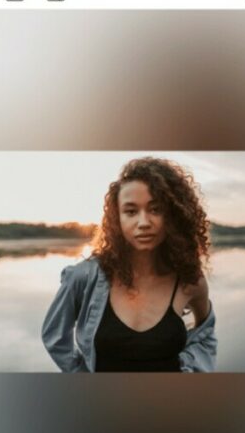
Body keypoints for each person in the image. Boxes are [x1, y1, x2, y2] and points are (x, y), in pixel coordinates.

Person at [42, 158, 216, 372]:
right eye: (131, 211)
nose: (143, 223)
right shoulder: (84, 277)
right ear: (117, 218)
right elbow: (55, 337)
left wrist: (191, 370)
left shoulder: (190, 280)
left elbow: (205, 335)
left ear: (173, 215)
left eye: (155, 209)